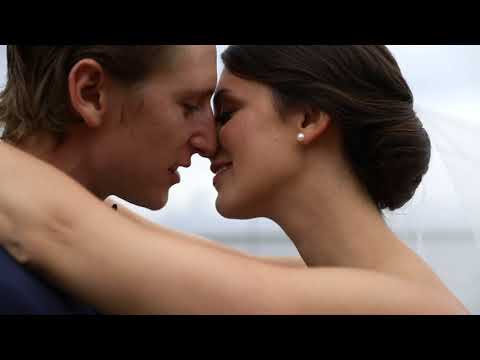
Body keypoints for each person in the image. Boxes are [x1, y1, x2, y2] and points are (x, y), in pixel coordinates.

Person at [0, 45, 469, 314]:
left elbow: (64, 229)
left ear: (308, 116)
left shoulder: (404, 306)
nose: (208, 139)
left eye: (225, 111)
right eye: (191, 106)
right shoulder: (336, 280)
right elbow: (139, 242)